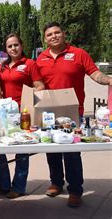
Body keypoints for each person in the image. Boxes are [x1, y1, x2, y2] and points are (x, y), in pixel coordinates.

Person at [36, 22, 111, 208]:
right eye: (49, 34)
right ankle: (56, 183)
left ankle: (75, 190)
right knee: (51, 150)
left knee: (71, 153)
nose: (53, 36)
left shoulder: (78, 54)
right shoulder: (41, 58)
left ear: (63, 34)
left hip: (72, 113)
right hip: (48, 112)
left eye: (57, 32)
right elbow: (36, 83)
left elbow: (95, 74)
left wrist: (109, 80)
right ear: (45, 39)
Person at [0, 34, 45, 199]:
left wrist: (29, 100)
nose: (13, 48)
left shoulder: (30, 64)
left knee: (22, 151)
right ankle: (2, 184)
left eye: (16, 45)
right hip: (5, 113)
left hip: (24, 114)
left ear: (21, 46)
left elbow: (40, 86)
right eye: (9, 46)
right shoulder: (2, 66)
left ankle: (19, 186)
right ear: (5, 49)